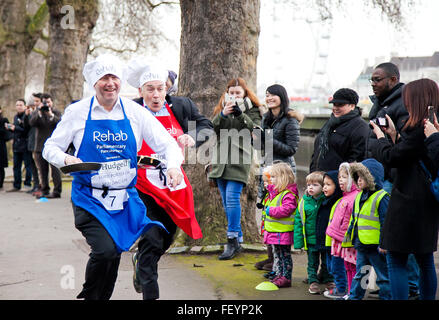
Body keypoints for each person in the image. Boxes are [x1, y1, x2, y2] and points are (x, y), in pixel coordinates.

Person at [42, 54, 184, 300]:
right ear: (94, 82)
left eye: (114, 77)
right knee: (106, 251)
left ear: (120, 81)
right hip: (90, 198)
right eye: (103, 78)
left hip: (126, 200)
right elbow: (49, 147)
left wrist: (172, 167)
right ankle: (91, 296)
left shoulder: (135, 112)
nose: (110, 83)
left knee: (118, 250)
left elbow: (168, 145)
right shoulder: (77, 112)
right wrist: (66, 159)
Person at [126, 58, 211, 300]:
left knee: (168, 236)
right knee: (153, 236)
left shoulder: (181, 106)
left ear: (167, 88)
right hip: (141, 184)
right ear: (141, 91)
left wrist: (192, 136)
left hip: (173, 181)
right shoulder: (130, 111)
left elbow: (206, 126)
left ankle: (141, 259)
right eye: (150, 89)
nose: (155, 95)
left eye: (160, 88)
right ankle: (149, 287)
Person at [369, 78, 439, 300]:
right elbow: (412, 156)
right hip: (427, 202)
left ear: (416, 100)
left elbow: (392, 158)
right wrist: (394, 135)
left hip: (408, 201)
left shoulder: (420, 129)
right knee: (425, 259)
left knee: (396, 259)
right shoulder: (430, 127)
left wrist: (380, 139)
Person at [208, 77, 263, 260]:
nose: (234, 96)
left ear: (245, 93)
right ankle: (238, 240)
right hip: (221, 160)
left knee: (232, 198)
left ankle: (231, 239)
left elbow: (255, 131)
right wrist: (223, 114)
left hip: (240, 159)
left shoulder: (253, 110)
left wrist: (240, 114)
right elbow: (212, 129)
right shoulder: (221, 108)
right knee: (226, 202)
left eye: (237, 93)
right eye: (231, 92)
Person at [345, 159, 391, 300]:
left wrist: (384, 243)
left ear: (372, 177)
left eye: (362, 177)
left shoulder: (381, 197)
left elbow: (386, 223)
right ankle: (355, 297)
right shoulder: (359, 196)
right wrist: (350, 240)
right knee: (362, 274)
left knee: (383, 277)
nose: (358, 180)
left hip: (376, 247)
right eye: (356, 177)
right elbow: (354, 220)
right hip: (362, 245)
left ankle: (386, 297)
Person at [310, 88, 369, 173]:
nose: (335, 108)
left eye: (340, 105)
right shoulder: (330, 123)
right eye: (334, 104)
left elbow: (356, 159)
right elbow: (317, 153)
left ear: (352, 106)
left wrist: (338, 178)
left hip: (337, 181)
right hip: (319, 179)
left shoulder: (360, 127)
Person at [323, 162, 359, 299]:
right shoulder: (344, 197)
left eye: (344, 177)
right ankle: (349, 292)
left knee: (351, 268)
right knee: (346, 267)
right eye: (340, 177)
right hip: (338, 239)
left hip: (346, 241)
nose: (341, 180)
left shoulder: (353, 198)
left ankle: (350, 292)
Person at [294, 171, 329, 295]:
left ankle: (327, 278)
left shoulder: (327, 201)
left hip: (325, 239)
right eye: (308, 184)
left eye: (315, 185)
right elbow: (299, 222)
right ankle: (313, 281)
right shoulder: (304, 203)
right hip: (311, 240)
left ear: (323, 186)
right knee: (312, 262)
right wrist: (298, 243)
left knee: (326, 261)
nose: (310, 187)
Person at [263, 162, 298, 288]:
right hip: (276, 231)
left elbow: (287, 209)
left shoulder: (289, 194)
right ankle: (279, 274)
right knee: (278, 255)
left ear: (283, 177)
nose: (270, 180)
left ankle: (286, 277)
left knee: (285, 256)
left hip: (283, 232)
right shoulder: (277, 193)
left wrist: (270, 211)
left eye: (273, 177)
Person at [261, 84, 303, 175]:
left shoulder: (290, 119)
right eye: (267, 95)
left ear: (282, 97)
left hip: (284, 171)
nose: (269, 98)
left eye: (273, 95)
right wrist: (256, 136)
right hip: (267, 169)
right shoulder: (265, 118)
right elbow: (259, 147)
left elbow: (291, 150)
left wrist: (267, 138)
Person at [29, 93, 63, 198]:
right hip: (40, 146)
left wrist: (50, 115)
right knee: (43, 170)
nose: (46, 104)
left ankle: (57, 191)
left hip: (54, 146)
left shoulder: (56, 112)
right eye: (44, 102)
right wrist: (39, 112)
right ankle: (45, 190)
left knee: (55, 170)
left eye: (48, 102)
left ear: (51, 102)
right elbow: (32, 123)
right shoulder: (38, 112)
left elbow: (60, 123)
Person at [321, 170, 343, 291]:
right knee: (330, 267)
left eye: (328, 185)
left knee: (336, 268)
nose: (324, 187)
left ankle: (340, 289)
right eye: (324, 184)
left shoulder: (338, 202)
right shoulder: (324, 202)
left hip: (335, 243)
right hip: (327, 242)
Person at [5, 99, 32, 192]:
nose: (19, 107)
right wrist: (10, 129)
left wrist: (15, 127)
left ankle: (27, 184)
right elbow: (16, 131)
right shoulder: (16, 117)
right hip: (16, 145)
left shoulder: (27, 116)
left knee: (28, 166)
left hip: (25, 145)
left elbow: (26, 130)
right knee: (16, 166)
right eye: (17, 105)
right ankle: (16, 185)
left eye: (20, 105)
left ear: (24, 106)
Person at [254, 166, 274, 272]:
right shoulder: (267, 195)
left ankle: (275, 261)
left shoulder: (277, 196)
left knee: (274, 242)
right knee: (268, 241)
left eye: (268, 181)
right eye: (264, 182)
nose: (265, 184)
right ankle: (270, 258)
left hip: (275, 227)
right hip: (267, 224)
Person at [24, 102, 40, 194]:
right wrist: (26, 116)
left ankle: (40, 186)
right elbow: (26, 127)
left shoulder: (39, 114)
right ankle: (36, 185)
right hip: (31, 143)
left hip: (38, 144)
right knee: (33, 167)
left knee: (39, 168)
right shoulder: (29, 115)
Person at [0, 106, 11, 190]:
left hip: (1, 145)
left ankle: (0, 183)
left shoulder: (4, 120)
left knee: (1, 166)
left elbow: (7, 133)